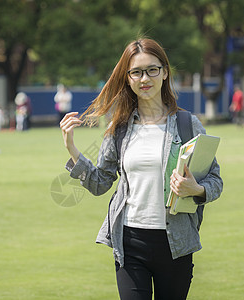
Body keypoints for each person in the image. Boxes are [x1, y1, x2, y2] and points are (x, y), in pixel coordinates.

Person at [60, 38, 223, 300]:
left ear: (164, 72)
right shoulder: (119, 128)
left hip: (176, 243)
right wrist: (72, 149)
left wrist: (197, 189)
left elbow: (215, 180)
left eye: (152, 70)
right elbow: (100, 182)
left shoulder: (187, 124)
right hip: (130, 241)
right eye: (136, 72)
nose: (144, 78)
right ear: (127, 78)